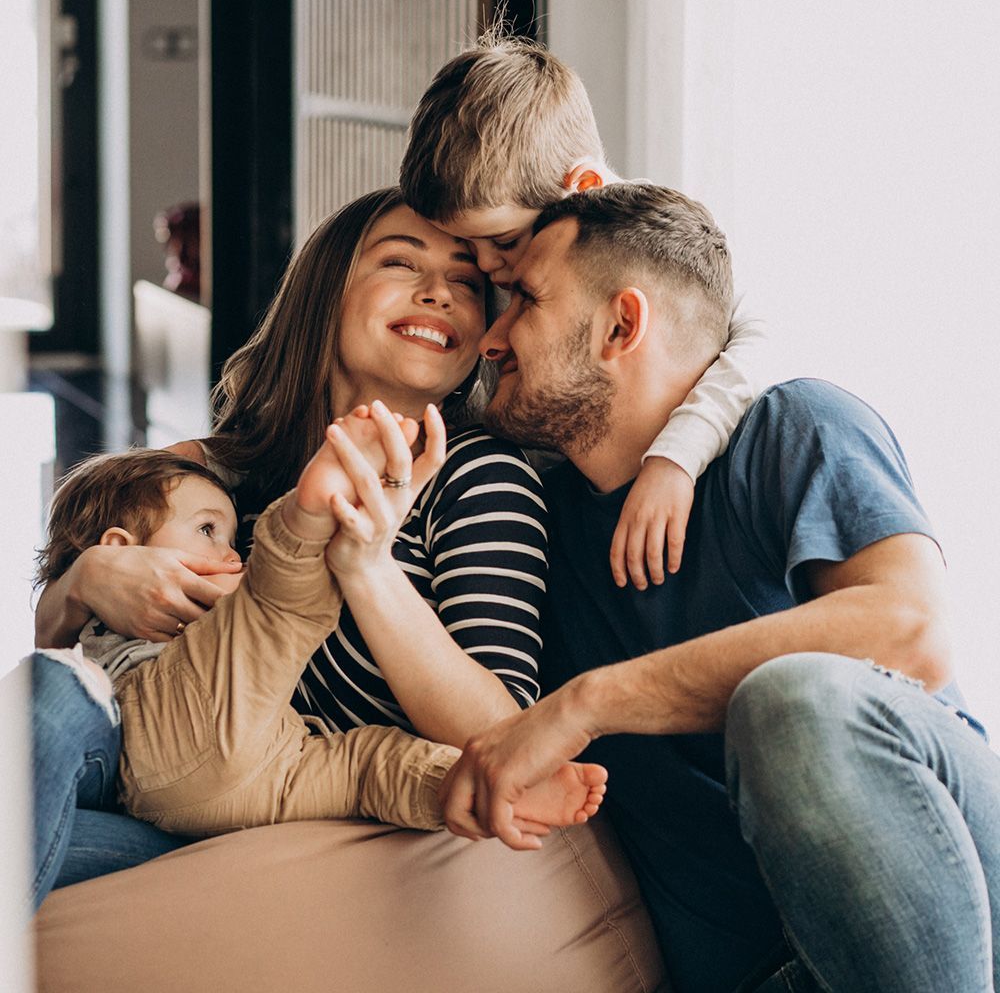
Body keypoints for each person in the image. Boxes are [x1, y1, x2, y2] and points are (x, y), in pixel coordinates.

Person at [439, 182, 1000, 993]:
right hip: (769, 977)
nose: (490, 338)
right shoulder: (531, 529)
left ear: (622, 325)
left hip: (962, 916)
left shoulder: (793, 427)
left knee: (793, 701)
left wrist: (586, 703)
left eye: (523, 298)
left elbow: (910, 630)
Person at [28, 187, 553, 904]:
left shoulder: (478, 473)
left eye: (465, 282)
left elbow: (501, 732)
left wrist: (366, 569)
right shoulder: (220, 471)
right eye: (403, 263)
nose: (439, 294)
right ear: (326, 291)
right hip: (155, 793)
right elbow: (70, 656)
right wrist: (84, 580)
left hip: (307, 824)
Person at [30, 432, 603, 892]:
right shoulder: (242, 464)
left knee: (366, 763)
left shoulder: (481, 473)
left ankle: (476, 788)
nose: (232, 554)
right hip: (173, 772)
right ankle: (308, 523)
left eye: (231, 536)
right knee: (286, 621)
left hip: (268, 766)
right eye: (209, 532)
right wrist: (83, 581)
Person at [399, 31, 769, 589]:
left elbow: (759, 338)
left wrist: (674, 457)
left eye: (500, 240)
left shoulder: (659, 247)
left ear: (583, 187)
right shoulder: (500, 244)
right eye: (465, 249)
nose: (488, 269)